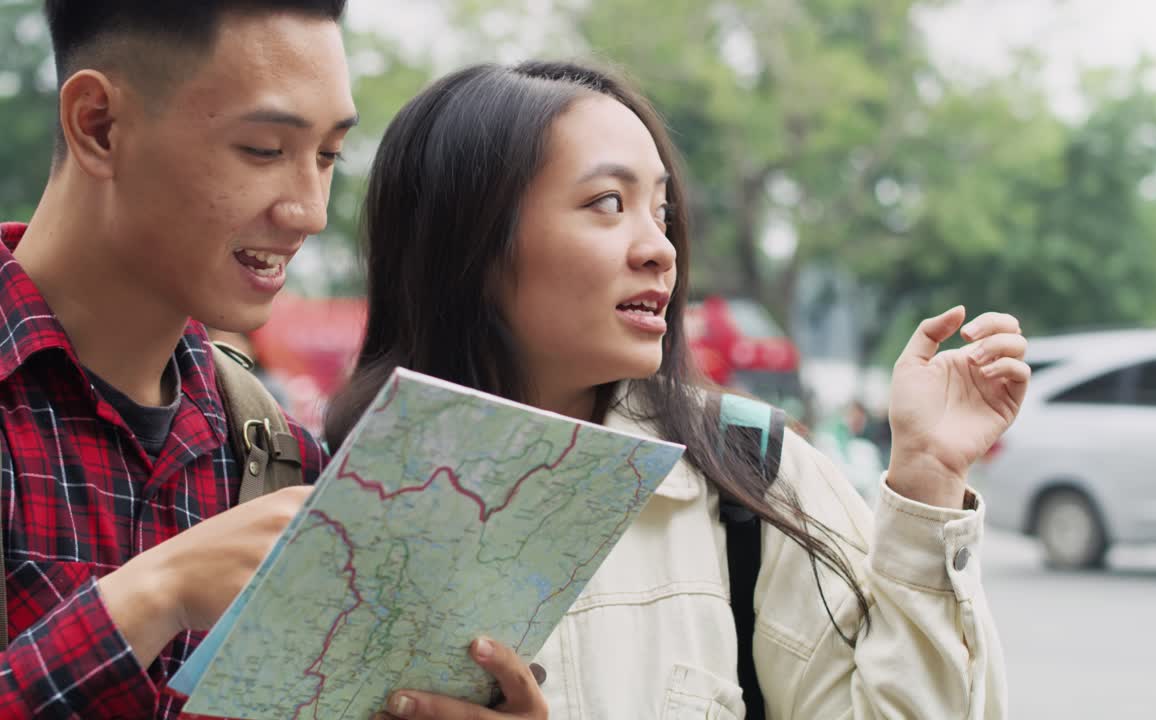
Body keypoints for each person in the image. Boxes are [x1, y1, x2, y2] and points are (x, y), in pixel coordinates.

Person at [327, 60, 1030, 719]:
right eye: (607, 203)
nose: (659, 248)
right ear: (472, 245)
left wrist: (928, 480)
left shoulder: (752, 474)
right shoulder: (327, 503)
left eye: (661, 212)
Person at [0, 4, 543, 718]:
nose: (310, 211)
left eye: (327, 156)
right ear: (99, 125)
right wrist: (153, 594)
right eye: (263, 149)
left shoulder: (283, 459)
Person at [813, 400, 885, 504]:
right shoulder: (828, 439)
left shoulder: (863, 447)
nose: (858, 421)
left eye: (861, 419)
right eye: (855, 416)